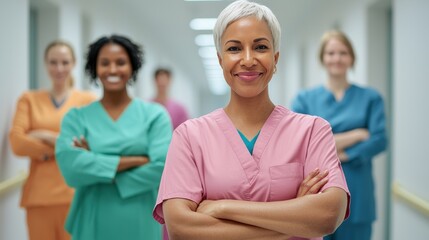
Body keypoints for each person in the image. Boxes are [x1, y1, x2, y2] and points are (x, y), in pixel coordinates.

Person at [153, 1, 350, 239]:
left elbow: (328, 215)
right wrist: (294, 220)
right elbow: (181, 228)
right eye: (234, 49)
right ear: (220, 60)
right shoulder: (188, 137)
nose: (247, 59)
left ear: (275, 58)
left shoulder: (313, 131)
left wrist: (224, 207)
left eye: (260, 47)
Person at [55, 35, 172, 240]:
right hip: (92, 216)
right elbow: (71, 169)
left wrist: (94, 161)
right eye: (104, 63)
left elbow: (162, 168)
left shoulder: (155, 115)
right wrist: (134, 160)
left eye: (120, 62)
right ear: (94, 68)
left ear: (132, 67)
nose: (112, 70)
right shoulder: (77, 117)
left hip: (140, 217)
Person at [291, 30, 387, 240]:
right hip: (317, 190)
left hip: (358, 191)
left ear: (352, 57)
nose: (337, 58)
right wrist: (356, 135)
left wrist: (346, 155)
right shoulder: (305, 99)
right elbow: (298, 143)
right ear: (323, 58)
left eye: (343, 53)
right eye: (331, 53)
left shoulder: (371, 98)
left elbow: (380, 140)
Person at [9, 40, 96, 240]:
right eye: (53, 62)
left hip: (76, 196)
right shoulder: (28, 99)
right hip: (39, 198)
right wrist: (67, 146)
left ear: (73, 64)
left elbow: (91, 146)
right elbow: (17, 143)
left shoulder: (87, 102)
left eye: (65, 62)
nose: (59, 68)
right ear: (45, 63)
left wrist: (44, 135)